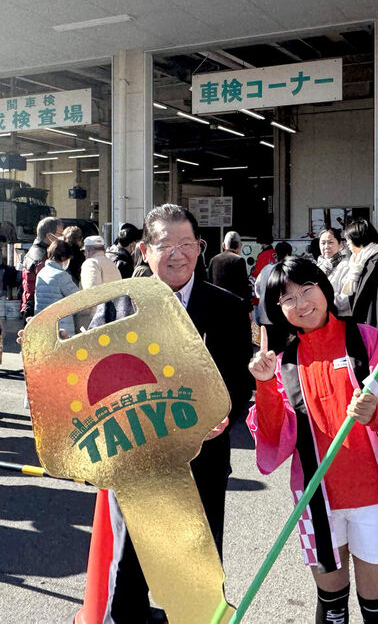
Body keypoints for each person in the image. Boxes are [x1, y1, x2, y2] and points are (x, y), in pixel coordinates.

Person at [93, 204, 254, 623]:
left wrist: (226, 414)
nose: (178, 254)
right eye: (166, 245)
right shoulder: (116, 306)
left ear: (201, 248)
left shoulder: (229, 307)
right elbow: (92, 379)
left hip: (204, 457)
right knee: (130, 570)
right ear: (145, 250)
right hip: (136, 464)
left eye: (187, 244)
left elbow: (239, 380)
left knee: (198, 571)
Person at [247, 256, 378, 623]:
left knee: (377, 604)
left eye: (307, 289)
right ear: (278, 310)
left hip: (376, 494)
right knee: (332, 605)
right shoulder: (284, 363)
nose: (301, 303)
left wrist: (377, 412)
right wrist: (264, 386)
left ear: (323, 288)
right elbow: (273, 432)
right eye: (287, 299)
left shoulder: (369, 340)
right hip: (317, 497)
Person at [342, 219, 378, 334]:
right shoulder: (357, 262)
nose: (347, 243)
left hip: (373, 327)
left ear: (358, 238)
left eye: (348, 239)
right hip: (362, 326)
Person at [34, 239, 79, 336]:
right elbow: (78, 297)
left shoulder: (41, 273)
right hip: (61, 326)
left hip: (43, 323)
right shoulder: (62, 275)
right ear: (63, 258)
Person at [21, 216, 62, 320]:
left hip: (29, 305)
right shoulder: (42, 257)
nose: (62, 238)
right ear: (49, 236)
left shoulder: (31, 251)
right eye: (59, 234)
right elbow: (47, 287)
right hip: (39, 309)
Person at [256, 241, 293, 352]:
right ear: (289, 255)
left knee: (267, 349)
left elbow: (257, 290)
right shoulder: (288, 270)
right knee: (282, 351)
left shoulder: (266, 269)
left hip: (264, 316)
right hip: (282, 318)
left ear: (275, 254)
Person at [208, 230, 252, 312]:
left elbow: (209, 283)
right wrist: (249, 309)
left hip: (216, 307)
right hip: (234, 308)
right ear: (240, 246)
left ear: (223, 245)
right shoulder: (239, 260)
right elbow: (244, 287)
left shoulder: (213, 260)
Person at [317, 227, 350, 314]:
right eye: (323, 243)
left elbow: (346, 300)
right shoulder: (319, 266)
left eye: (330, 242)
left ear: (340, 244)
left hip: (339, 318)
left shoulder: (347, 266)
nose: (326, 246)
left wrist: (319, 297)